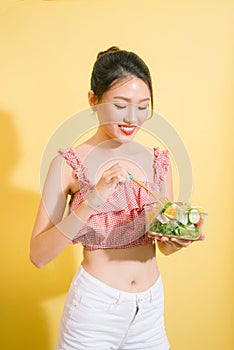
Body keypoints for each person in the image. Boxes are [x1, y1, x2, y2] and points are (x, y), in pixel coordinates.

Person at [30, 46, 202, 350]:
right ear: (93, 101)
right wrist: (93, 199)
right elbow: (39, 256)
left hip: (149, 309)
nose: (132, 118)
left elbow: (162, 246)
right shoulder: (69, 164)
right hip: (95, 311)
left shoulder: (158, 160)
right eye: (120, 105)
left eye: (143, 106)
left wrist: (177, 241)